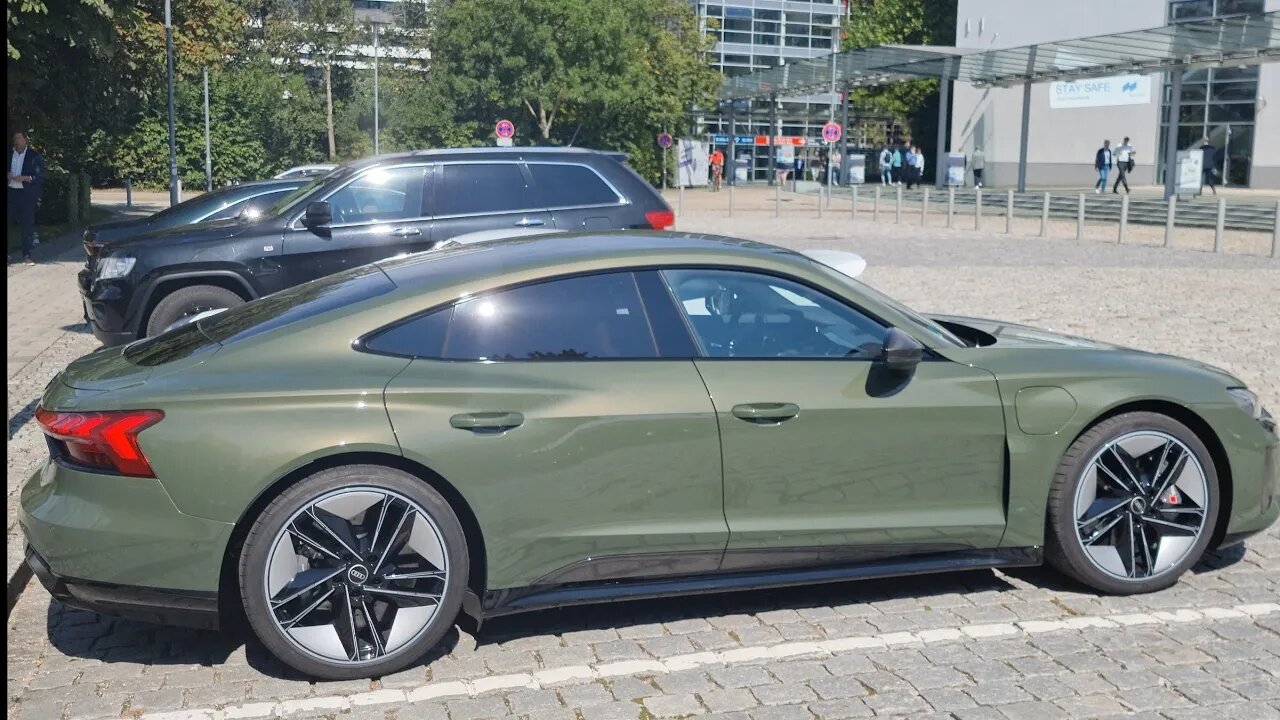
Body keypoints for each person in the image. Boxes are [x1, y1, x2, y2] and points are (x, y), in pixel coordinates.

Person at [8, 131, 44, 265]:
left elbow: (40, 177)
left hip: (26, 194)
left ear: (25, 140)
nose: (16, 140)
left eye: (19, 138)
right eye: (14, 138)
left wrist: (25, 178)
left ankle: (27, 255)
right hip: (11, 193)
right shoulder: (9, 154)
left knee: (27, 225)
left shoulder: (34, 156)